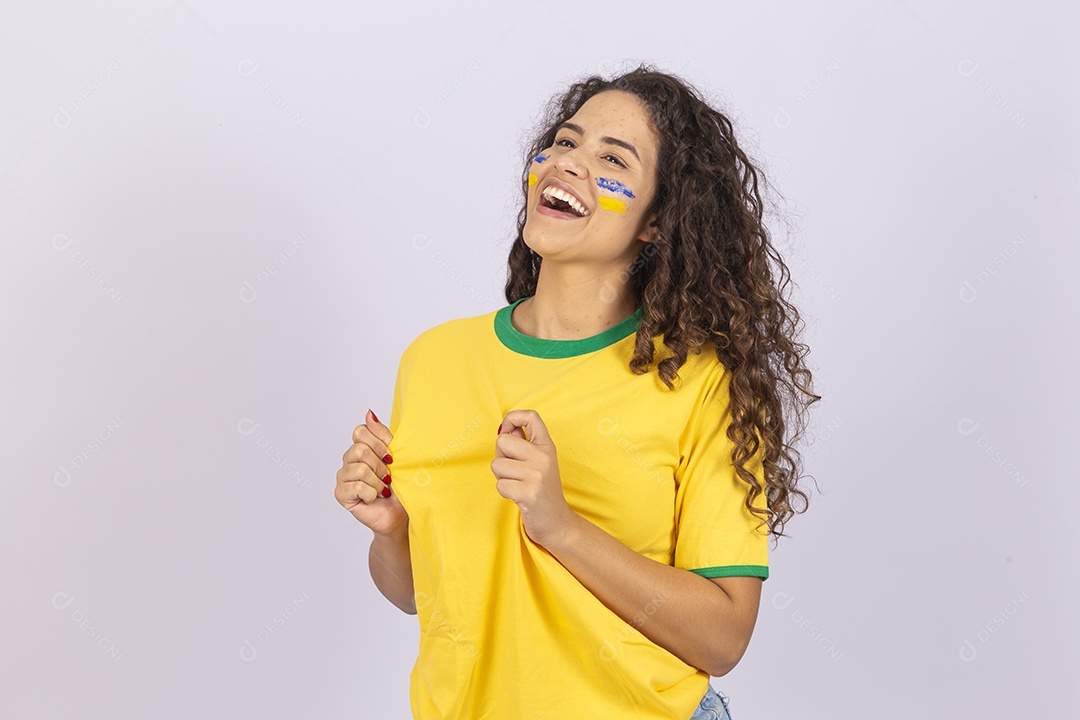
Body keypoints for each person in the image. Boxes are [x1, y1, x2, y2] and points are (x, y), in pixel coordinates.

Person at [335, 64, 819, 719]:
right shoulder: (435, 359)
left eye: (611, 157)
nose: (568, 163)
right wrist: (390, 530)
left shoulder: (700, 380)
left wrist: (561, 527)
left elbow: (725, 636)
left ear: (657, 221)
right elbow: (421, 594)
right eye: (564, 143)